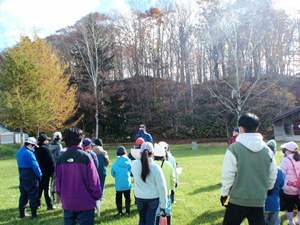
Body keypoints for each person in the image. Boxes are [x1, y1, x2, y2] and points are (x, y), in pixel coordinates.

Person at [220, 113, 277, 225]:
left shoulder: (234, 148)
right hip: (258, 200)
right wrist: (269, 188)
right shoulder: (268, 151)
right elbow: (272, 175)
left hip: (237, 200)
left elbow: (227, 175)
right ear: (257, 128)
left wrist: (224, 194)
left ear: (240, 128)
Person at [56, 128, 102, 225]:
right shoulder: (85, 156)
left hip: (68, 202)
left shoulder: (61, 158)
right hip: (86, 203)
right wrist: (97, 196)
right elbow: (94, 180)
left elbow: (58, 182)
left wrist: (62, 197)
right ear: (80, 140)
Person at [131, 142, 168, 225]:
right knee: (150, 221)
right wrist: (163, 205)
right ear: (153, 153)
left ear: (140, 152)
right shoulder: (156, 168)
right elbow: (162, 187)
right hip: (153, 198)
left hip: (139, 197)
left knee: (142, 220)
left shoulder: (134, 165)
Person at [16, 137, 42, 219]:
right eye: (34, 146)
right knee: (33, 196)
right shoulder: (29, 153)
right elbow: (35, 166)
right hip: (31, 177)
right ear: (30, 145)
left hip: (22, 176)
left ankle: (22, 214)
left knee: (23, 195)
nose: (34, 148)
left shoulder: (19, 152)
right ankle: (34, 215)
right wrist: (40, 175)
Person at [153, 143, 175, 225]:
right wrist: (173, 189)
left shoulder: (151, 165)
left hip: (154, 194)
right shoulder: (168, 165)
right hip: (166, 193)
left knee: (155, 213)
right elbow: (173, 179)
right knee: (167, 212)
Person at [264, 140, 285, 225]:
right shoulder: (279, 171)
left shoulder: (259, 171)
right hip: (275, 204)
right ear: (275, 152)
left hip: (262, 204)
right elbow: (282, 184)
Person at [280, 141, 300, 225]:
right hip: (299, 188)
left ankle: (291, 222)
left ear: (288, 150)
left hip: (289, 188)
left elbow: (282, 174)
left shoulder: (285, 160)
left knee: (289, 206)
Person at [35, 133, 55, 210]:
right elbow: (51, 161)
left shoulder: (36, 149)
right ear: (44, 141)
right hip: (46, 172)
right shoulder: (46, 149)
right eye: (47, 140)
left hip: (39, 172)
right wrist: (53, 172)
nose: (48, 141)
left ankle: (37, 204)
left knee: (40, 188)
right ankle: (49, 205)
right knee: (47, 189)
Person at [111, 146, 132, 216]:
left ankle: (120, 212)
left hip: (119, 185)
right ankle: (128, 211)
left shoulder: (115, 164)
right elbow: (130, 170)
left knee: (118, 199)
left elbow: (113, 174)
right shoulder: (129, 161)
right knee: (128, 198)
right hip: (127, 184)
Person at [49, 131, 63, 207]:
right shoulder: (59, 146)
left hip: (51, 166)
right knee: (58, 183)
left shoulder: (49, 145)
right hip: (58, 166)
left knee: (52, 183)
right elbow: (60, 156)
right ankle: (58, 201)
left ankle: (52, 199)